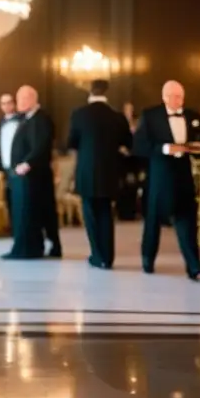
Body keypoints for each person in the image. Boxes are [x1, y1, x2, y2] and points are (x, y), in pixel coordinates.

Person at [133, 80, 200, 278]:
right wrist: (165, 149)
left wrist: (198, 149)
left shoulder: (192, 115)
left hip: (183, 176)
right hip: (159, 177)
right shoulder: (150, 116)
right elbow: (139, 146)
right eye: (174, 96)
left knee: (187, 220)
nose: (178, 100)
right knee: (153, 222)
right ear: (164, 97)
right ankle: (148, 259)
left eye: (181, 97)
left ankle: (194, 265)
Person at [67, 80, 133, 269]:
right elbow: (128, 143)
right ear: (106, 92)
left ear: (90, 92)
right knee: (106, 213)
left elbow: (71, 142)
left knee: (90, 214)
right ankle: (108, 257)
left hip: (87, 171)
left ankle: (97, 255)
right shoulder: (117, 116)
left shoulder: (79, 114)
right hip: (110, 171)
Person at [4, 85, 60, 260]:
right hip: (23, 177)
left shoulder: (41, 119)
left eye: (21, 99)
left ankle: (30, 248)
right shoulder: (27, 118)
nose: (18, 103)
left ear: (31, 99)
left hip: (33, 176)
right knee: (25, 213)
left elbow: (41, 146)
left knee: (34, 213)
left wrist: (27, 163)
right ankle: (27, 246)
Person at [0, 92, 21, 228]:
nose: (6, 106)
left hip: (19, 166)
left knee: (20, 199)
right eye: (3, 103)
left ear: (14, 104)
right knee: (9, 198)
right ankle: (13, 227)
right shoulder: (0, 124)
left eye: (9, 102)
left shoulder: (21, 121)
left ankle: (21, 228)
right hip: (5, 167)